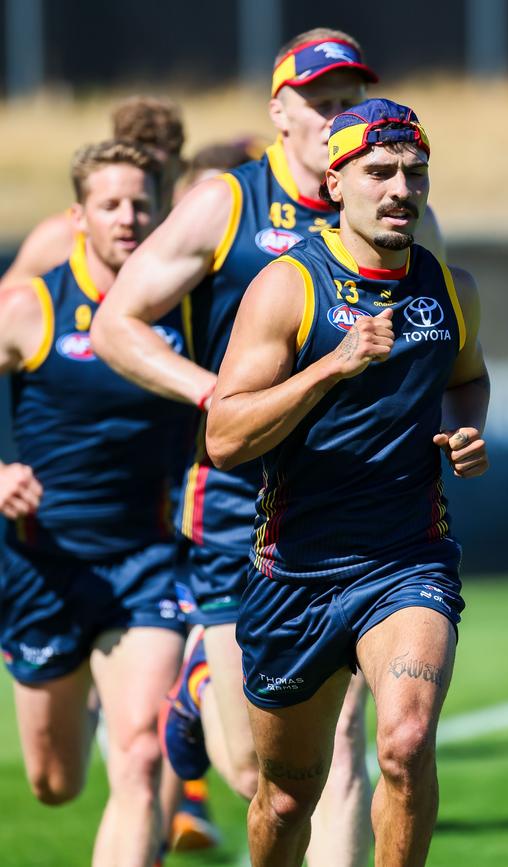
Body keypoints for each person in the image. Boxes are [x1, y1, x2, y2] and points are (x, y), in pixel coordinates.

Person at [91, 27, 400, 866]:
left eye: (350, 103)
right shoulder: (230, 203)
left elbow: (437, 334)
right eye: (322, 104)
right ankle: (197, 694)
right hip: (235, 505)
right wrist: (212, 395)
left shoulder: (389, 203)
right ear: (281, 112)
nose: (339, 118)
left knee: (342, 743)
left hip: (348, 506)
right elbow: (117, 321)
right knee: (255, 768)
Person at [205, 98, 490, 866]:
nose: (401, 187)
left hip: (408, 561)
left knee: (402, 744)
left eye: (415, 171)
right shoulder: (287, 287)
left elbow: (468, 376)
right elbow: (225, 437)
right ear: (336, 182)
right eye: (380, 171)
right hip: (294, 574)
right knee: (286, 799)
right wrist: (333, 366)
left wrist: (468, 429)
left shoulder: (448, 286)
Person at [0, 140, 192, 867]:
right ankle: (77, 691)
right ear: (79, 216)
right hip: (43, 566)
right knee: (53, 783)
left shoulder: (186, 305)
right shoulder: (31, 307)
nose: (128, 217)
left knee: (141, 755)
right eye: (110, 204)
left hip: (148, 561)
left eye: (141, 202)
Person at [0, 96, 186, 289]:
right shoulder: (60, 239)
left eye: (160, 177)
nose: (128, 218)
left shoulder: (194, 228)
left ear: (181, 168)